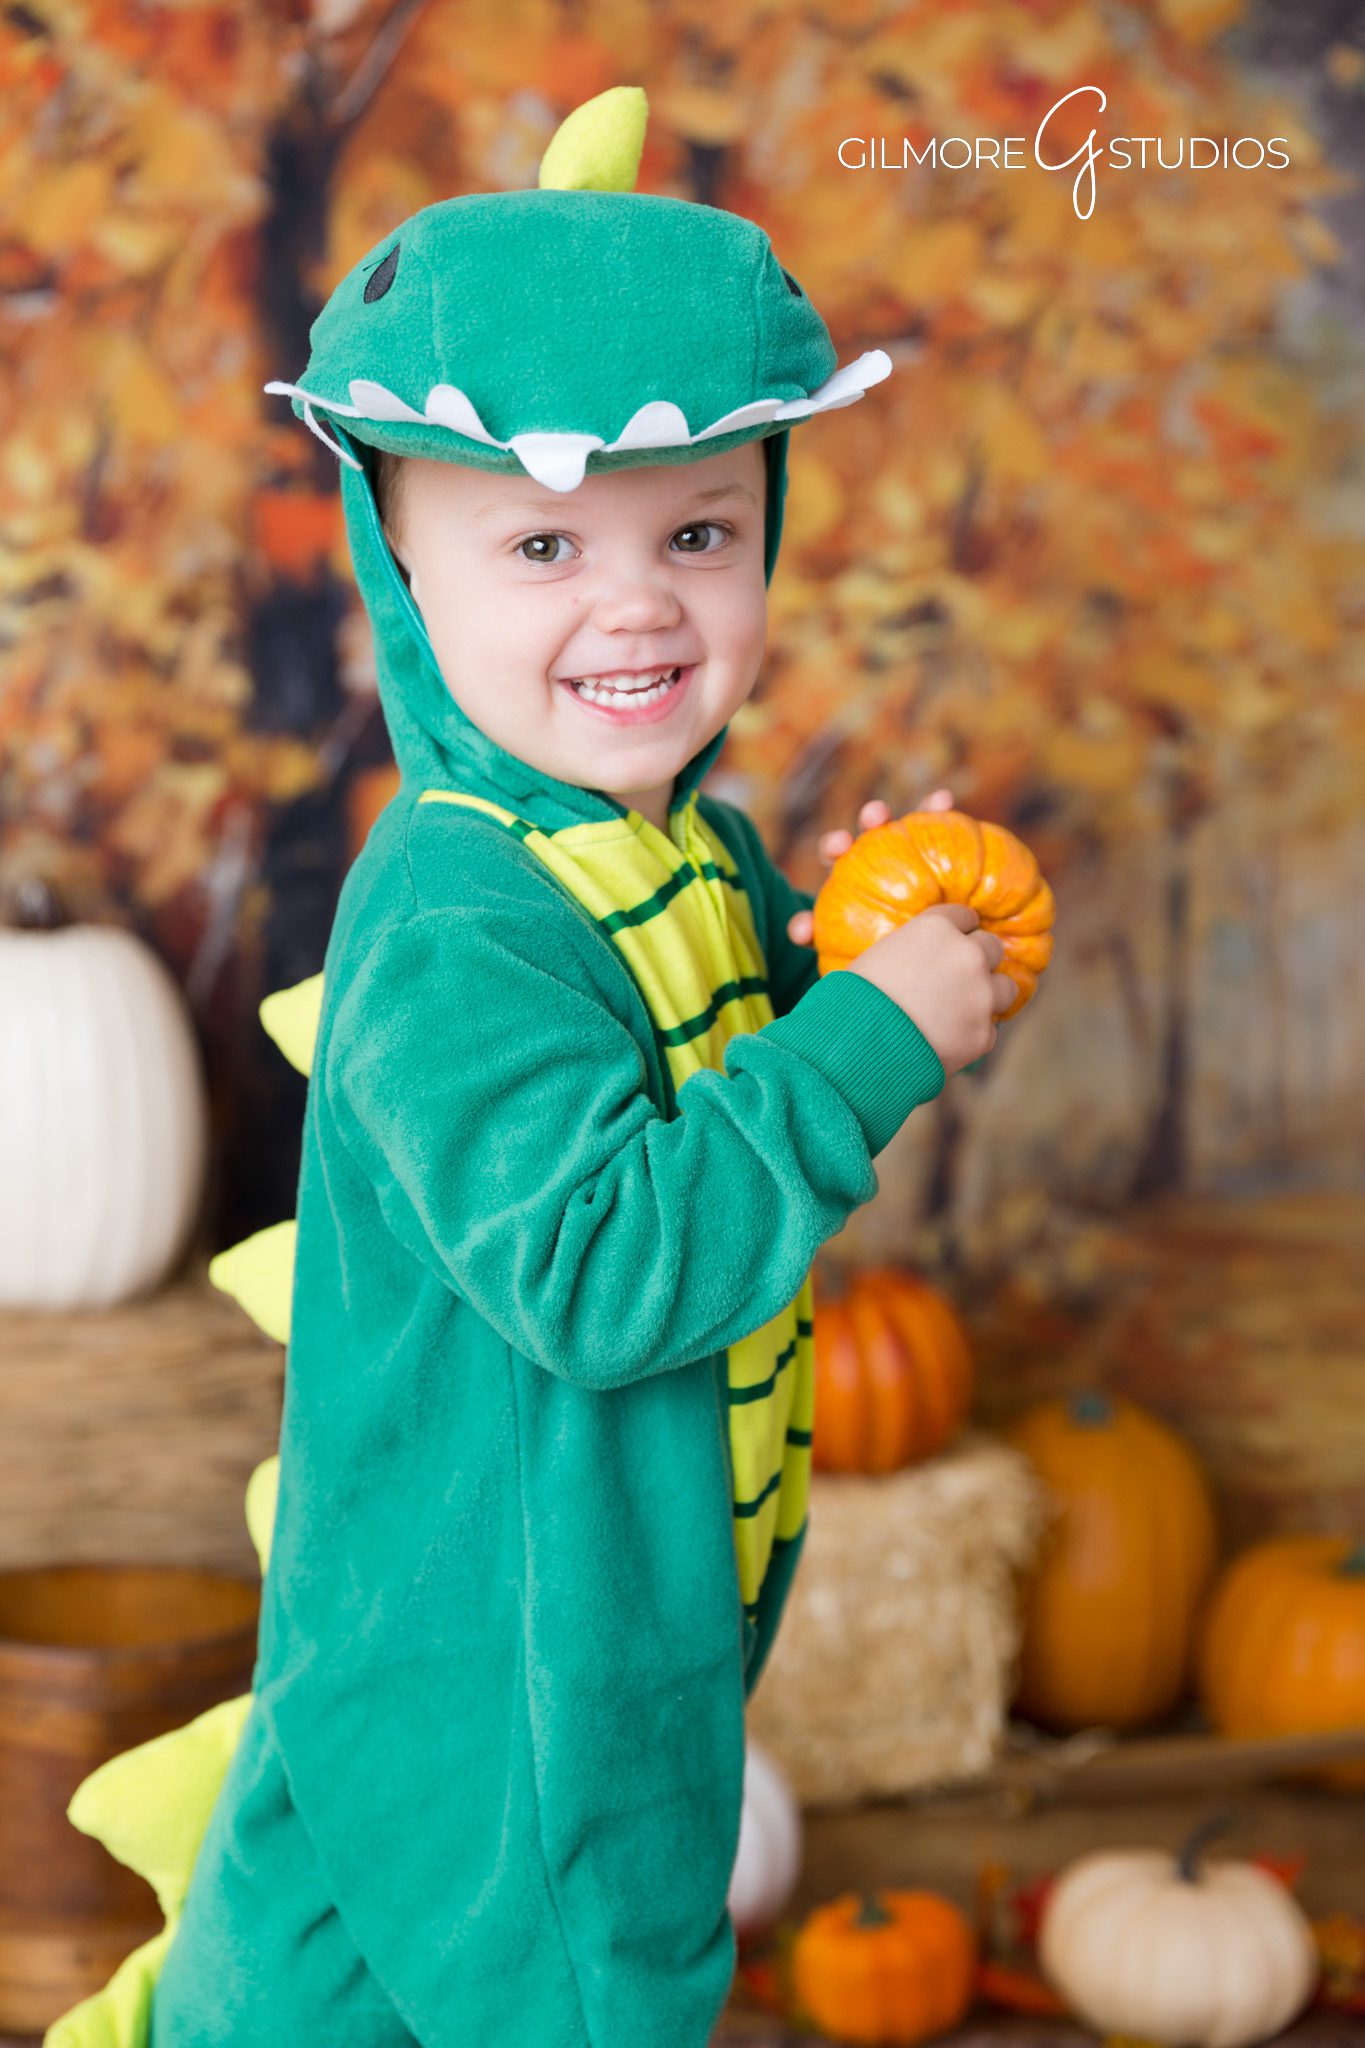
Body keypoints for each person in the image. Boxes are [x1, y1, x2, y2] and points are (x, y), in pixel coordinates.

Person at [50, 85, 1013, 2048]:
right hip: (486, 1713)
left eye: (696, 530)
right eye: (543, 544)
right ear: (401, 570)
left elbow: (687, 1057)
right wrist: (868, 1033)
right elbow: (598, 1263)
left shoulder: (673, 845)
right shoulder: (453, 921)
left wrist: (837, 941)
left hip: (613, 1641)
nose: (637, 598)